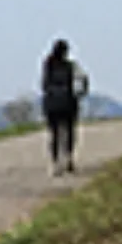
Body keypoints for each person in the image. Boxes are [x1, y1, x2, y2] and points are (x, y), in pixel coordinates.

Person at [41, 39, 89, 176]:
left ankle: (55, 163)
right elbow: (83, 79)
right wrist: (80, 94)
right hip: (69, 102)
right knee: (69, 132)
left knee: (54, 134)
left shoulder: (48, 65)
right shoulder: (71, 66)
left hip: (51, 103)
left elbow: (44, 85)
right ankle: (68, 159)